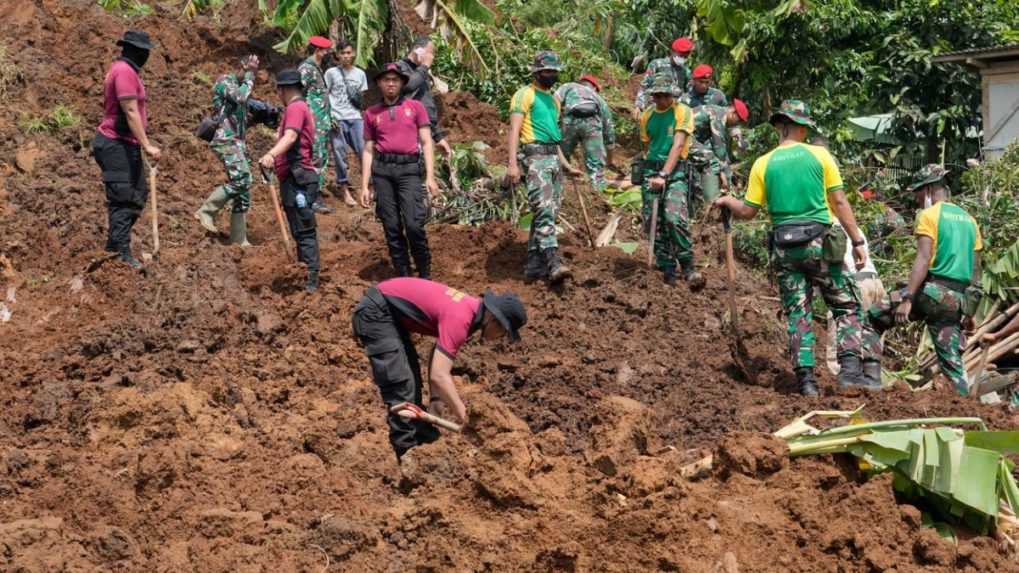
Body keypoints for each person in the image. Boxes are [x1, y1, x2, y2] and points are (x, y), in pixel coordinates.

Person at [713, 99, 877, 396]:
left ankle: (806, 382)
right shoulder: (819, 156)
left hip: (785, 249)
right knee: (846, 305)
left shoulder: (763, 163)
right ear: (801, 127)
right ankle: (851, 373)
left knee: (797, 313)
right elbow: (839, 202)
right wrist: (857, 241)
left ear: (780, 126)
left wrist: (726, 201)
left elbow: (748, 211)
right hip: (820, 244)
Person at [351, 277, 527, 476]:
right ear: (494, 319)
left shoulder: (469, 313)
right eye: (503, 332)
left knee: (412, 384)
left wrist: (436, 401)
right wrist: (465, 417)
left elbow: (438, 355)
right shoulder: (462, 318)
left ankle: (428, 446)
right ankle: (409, 464)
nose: (501, 337)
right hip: (377, 313)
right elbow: (439, 375)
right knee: (401, 387)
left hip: (391, 317)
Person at [867, 165, 983, 396]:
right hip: (956, 301)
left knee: (873, 315)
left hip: (932, 293)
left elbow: (922, 258)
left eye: (918, 192)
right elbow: (976, 273)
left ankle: (870, 380)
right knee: (951, 362)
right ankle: (967, 407)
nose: (916, 198)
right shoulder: (970, 221)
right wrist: (970, 313)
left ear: (929, 188)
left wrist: (908, 297)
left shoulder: (929, 215)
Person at [507, 51, 581, 284]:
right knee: (544, 209)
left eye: (554, 72)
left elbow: (553, 137)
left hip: (553, 159)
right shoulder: (524, 95)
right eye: (547, 71)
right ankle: (553, 261)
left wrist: (567, 165)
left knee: (548, 212)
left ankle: (533, 262)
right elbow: (514, 131)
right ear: (537, 72)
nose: (551, 75)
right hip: (535, 158)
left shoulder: (553, 101)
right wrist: (512, 164)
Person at [360, 63, 440, 279]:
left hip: (409, 171)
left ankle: (424, 273)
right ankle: (403, 274)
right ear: (379, 84)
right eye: (386, 80)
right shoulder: (371, 113)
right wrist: (365, 185)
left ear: (402, 83)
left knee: (414, 225)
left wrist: (430, 177)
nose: (391, 83)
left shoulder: (415, 107)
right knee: (391, 226)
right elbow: (368, 149)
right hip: (383, 172)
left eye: (395, 80)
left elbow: (426, 142)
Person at [91, 30, 159, 270]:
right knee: (122, 198)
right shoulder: (124, 72)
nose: (147, 56)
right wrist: (147, 144)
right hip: (114, 143)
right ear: (136, 51)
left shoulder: (127, 71)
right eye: (145, 52)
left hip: (125, 144)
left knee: (137, 195)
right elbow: (130, 111)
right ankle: (120, 253)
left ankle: (113, 246)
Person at [258, 70, 322, 293]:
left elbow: (291, 136)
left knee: (304, 229)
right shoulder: (294, 109)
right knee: (298, 229)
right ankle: (304, 273)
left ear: (283, 90)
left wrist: (271, 155)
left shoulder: (296, 108)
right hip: (292, 176)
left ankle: (311, 279)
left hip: (299, 177)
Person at [638, 74, 701, 288]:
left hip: (674, 173)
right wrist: (652, 173)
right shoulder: (647, 116)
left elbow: (677, 145)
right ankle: (666, 266)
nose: (661, 100)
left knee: (674, 217)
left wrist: (664, 174)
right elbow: (647, 146)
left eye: (665, 95)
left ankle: (688, 264)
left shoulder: (682, 112)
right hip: (651, 172)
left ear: (672, 94)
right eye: (657, 96)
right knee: (653, 222)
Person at [194, 54, 260, 245]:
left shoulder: (240, 87)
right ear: (241, 65)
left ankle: (239, 239)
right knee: (242, 179)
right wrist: (249, 78)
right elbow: (239, 98)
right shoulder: (224, 81)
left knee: (244, 190)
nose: (252, 75)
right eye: (250, 70)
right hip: (225, 140)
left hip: (238, 141)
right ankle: (206, 211)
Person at [324, 40, 368, 208]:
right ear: (337, 55)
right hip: (337, 119)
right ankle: (345, 189)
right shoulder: (331, 73)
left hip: (355, 118)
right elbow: (325, 96)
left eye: (349, 53)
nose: (346, 56)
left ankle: (367, 187)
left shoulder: (360, 74)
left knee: (363, 152)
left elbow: (360, 99)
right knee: (340, 155)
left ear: (354, 53)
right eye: (342, 53)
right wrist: (330, 117)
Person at [556, 74, 616, 192]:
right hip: (592, 126)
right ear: (594, 87)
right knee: (596, 169)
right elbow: (609, 131)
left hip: (569, 123)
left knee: (561, 158)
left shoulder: (569, 86)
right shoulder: (599, 99)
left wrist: (553, 120)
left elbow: (556, 98)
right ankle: (598, 195)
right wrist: (609, 159)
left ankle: (562, 189)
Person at [687, 99, 749, 214]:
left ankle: (702, 203)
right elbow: (719, 147)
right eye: (738, 120)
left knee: (711, 159)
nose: (737, 124)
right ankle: (710, 203)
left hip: (690, 137)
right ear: (733, 112)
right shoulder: (719, 116)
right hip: (681, 135)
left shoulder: (719, 113)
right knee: (710, 159)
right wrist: (725, 173)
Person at [298, 35, 335, 214]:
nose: (328, 53)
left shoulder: (317, 69)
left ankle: (314, 194)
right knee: (315, 158)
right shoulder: (306, 69)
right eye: (326, 50)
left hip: (322, 122)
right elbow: (298, 95)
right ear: (318, 51)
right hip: (313, 123)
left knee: (321, 157)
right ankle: (312, 197)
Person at [400, 37, 453, 158]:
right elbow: (408, 85)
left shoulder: (422, 73)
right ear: (417, 50)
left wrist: (438, 137)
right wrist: (424, 67)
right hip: (407, 131)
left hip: (423, 132)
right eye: (430, 52)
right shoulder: (399, 68)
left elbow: (427, 107)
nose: (432, 57)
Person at [632, 37, 693, 119]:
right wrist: (639, 105)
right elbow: (645, 85)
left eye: (685, 57)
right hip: (656, 105)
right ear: (673, 51)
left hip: (675, 109)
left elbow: (689, 92)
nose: (682, 59)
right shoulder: (657, 64)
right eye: (681, 56)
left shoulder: (686, 71)